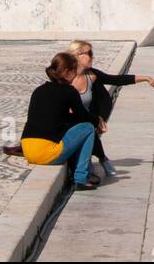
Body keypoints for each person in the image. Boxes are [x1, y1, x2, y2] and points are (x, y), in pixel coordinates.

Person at [67, 40, 154, 178]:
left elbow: (116, 79)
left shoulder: (92, 75)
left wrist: (146, 78)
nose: (92, 57)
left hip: (89, 118)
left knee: (89, 127)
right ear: (78, 55)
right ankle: (102, 159)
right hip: (70, 120)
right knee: (86, 129)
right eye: (90, 53)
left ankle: (97, 162)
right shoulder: (65, 76)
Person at [18, 52, 99, 192]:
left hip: (28, 149)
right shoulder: (69, 91)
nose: (76, 75)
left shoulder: (39, 90)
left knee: (79, 129)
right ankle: (81, 178)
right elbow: (83, 117)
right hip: (47, 153)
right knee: (88, 128)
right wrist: (98, 120)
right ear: (67, 73)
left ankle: (79, 172)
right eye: (74, 71)